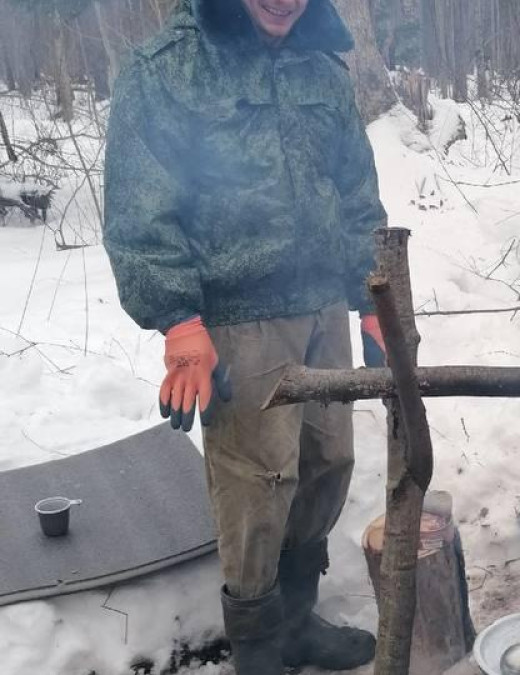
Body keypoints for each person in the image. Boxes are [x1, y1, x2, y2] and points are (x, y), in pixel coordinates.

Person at [101, 0, 387, 672]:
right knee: (258, 482)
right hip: (238, 315)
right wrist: (180, 322)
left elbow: (356, 194)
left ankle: (296, 619)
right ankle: (258, 645)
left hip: (322, 304)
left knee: (327, 461)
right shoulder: (168, 69)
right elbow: (139, 211)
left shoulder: (324, 68)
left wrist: (375, 298)